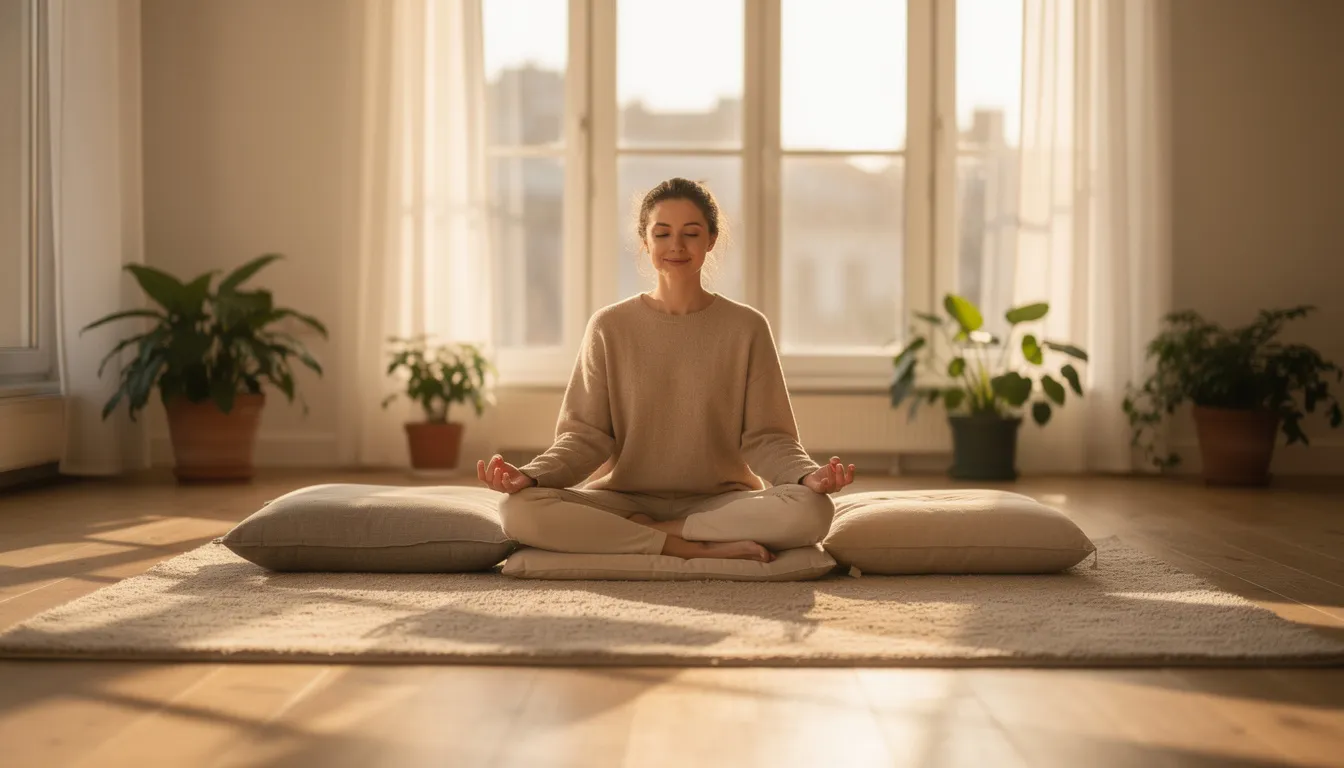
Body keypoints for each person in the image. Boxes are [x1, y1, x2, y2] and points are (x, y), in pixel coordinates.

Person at [477, 177, 855, 563]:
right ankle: (683, 546)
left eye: (691, 233)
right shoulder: (609, 326)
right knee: (518, 510)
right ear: (645, 242)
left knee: (813, 511)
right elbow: (584, 437)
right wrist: (531, 475)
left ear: (711, 240)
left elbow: (768, 438)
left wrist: (808, 476)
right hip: (623, 500)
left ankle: (657, 535)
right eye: (662, 233)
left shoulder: (747, 327)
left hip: (722, 504)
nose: (676, 245)